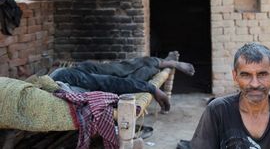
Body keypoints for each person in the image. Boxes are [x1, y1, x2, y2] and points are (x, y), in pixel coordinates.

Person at [190, 43, 270, 149]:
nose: (254, 84)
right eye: (245, 75)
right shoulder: (217, 111)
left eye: (262, 74)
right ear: (235, 77)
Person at [49, 51, 195, 112]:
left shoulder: (60, 77)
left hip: (83, 73)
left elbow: (108, 82)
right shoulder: (49, 95)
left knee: (121, 68)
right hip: (88, 84)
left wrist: (152, 88)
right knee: (134, 77)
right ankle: (162, 63)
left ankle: (168, 63)